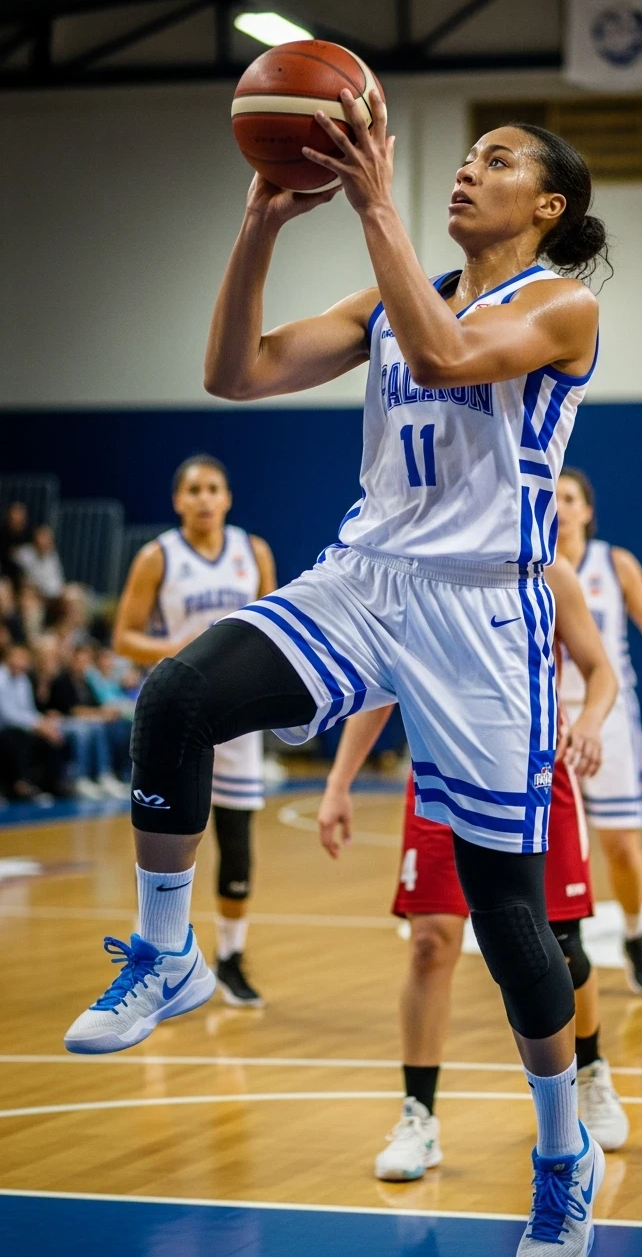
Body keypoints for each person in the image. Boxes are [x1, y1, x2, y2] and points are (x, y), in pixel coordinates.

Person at [65, 96, 609, 1254]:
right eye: (461, 157)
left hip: (480, 613)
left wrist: (371, 204)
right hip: (365, 576)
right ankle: (170, 953)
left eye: (496, 161)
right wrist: (260, 223)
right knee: (178, 696)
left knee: (507, 913)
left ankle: (562, 1151)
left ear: (546, 207)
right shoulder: (385, 304)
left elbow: (448, 353)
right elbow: (235, 372)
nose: (466, 171)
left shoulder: (561, 306)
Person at [318, 551, 627, 1180]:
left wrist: (591, 722)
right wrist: (338, 782)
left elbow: (600, 672)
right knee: (431, 942)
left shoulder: (551, 574)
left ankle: (588, 1077)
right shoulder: (412, 568)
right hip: (440, 774)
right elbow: (381, 686)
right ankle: (418, 1117)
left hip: (534, 770)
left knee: (560, 947)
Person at [109, 454, 277, 1007]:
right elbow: (124, 637)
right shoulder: (157, 557)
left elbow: (274, 627)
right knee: (166, 840)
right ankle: (156, 958)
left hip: (236, 713)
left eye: (214, 488)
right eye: (194, 490)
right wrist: (184, 650)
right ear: (177, 500)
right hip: (176, 711)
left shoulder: (252, 552)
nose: (204, 498)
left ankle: (230, 958)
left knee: (236, 840)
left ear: (227, 497)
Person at [555, 469, 642, 995]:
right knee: (554, 845)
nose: (560, 506)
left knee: (617, 843)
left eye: (570, 498)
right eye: (553, 496)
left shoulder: (615, 565)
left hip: (607, 715)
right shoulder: (529, 562)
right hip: (546, 717)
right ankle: (567, 940)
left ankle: (635, 935)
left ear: (588, 511)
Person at [45, 641, 131, 800]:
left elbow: (94, 705)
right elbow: (73, 710)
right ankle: (80, 778)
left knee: (99, 727)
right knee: (83, 730)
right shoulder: (62, 680)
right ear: (72, 660)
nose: (83, 664)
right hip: (62, 721)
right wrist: (98, 715)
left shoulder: (86, 682)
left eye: (86, 661)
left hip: (84, 721)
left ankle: (104, 774)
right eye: (80, 660)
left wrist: (103, 714)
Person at [0, 642, 67, 800]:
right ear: (7, 658)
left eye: (23, 658)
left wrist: (44, 723)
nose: (21, 662)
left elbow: (28, 710)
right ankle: (19, 785)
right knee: (17, 738)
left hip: (20, 726)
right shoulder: (1, 679)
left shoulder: (23, 679)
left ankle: (52, 785)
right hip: (5, 729)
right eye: (17, 657)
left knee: (52, 736)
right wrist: (38, 725)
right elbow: (8, 715)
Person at [14, 523, 65, 600]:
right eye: (42, 538)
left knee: (74, 594)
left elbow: (58, 581)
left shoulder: (52, 555)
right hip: (34, 594)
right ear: (35, 539)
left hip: (53, 594)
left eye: (48, 539)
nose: (45, 542)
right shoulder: (24, 554)